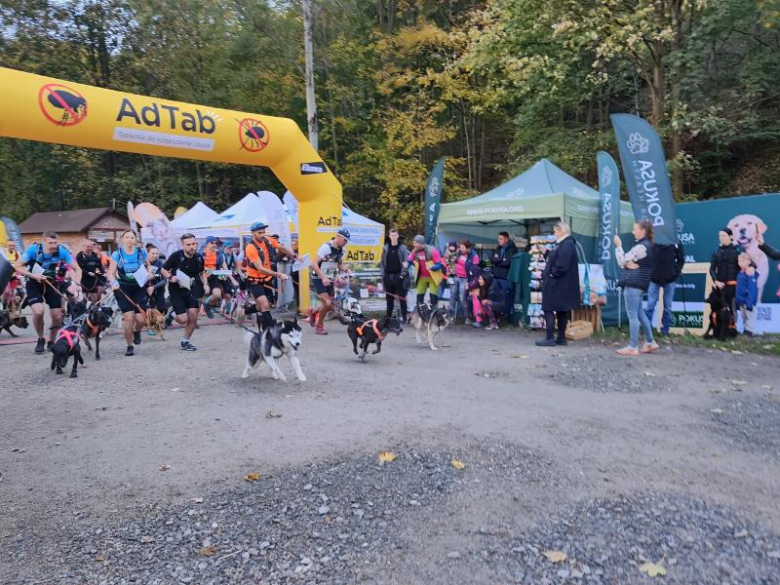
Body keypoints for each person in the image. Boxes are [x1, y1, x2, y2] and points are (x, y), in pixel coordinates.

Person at [13, 231, 83, 354]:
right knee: (39, 312)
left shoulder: (61, 251)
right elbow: (17, 266)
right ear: (44, 241)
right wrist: (33, 275)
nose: (53, 245)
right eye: (50, 243)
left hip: (51, 283)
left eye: (55, 242)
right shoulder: (33, 250)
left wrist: (77, 283)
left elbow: (77, 269)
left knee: (57, 315)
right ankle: (41, 338)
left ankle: (51, 340)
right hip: (33, 282)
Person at [614, 219, 658, 356]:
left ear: (643, 231)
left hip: (633, 283)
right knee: (639, 313)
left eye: (635, 229)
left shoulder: (640, 247)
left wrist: (619, 246)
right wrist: (628, 263)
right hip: (641, 283)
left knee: (633, 315)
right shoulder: (647, 245)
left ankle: (633, 346)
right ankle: (650, 342)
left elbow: (622, 261)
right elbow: (626, 263)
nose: (633, 232)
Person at [161, 233, 209, 351]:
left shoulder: (198, 258)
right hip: (176, 290)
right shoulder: (176, 256)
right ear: (182, 245)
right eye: (188, 245)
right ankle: (171, 313)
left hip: (192, 290)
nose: (192, 247)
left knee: (193, 316)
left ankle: (185, 341)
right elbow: (163, 270)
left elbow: (202, 273)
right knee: (183, 320)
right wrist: (171, 277)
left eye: (194, 244)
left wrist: (205, 284)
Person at [107, 229, 151, 357]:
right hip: (123, 288)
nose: (130, 240)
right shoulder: (117, 254)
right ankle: (129, 345)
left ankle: (137, 332)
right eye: (128, 237)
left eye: (132, 237)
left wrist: (150, 273)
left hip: (139, 287)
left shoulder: (141, 253)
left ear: (135, 240)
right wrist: (113, 282)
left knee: (140, 319)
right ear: (123, 239)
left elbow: (148, 265)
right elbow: (111, 272)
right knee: (129, 317)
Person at [244, 222, 293, 331]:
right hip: (254, 280)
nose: (262, 234)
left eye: (264, 232)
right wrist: (279, 274)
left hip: (266, 279)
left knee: (268, 304)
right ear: (253, 233)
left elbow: (281, 247)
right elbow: (260, 268)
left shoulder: (267, 240)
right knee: (265, 305)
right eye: (259, 232)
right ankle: (270, 331)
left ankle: (244, 311)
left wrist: (293, 255)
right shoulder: (250, 247)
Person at [536, 222, 579, 347]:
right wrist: (546, 253)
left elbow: (561, 265)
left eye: (555, 231)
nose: (554, 233)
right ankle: (561, 338)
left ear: (561, 231)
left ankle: (550, 338)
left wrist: (550, 275)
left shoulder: (566, 245)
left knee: (548, 308)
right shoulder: (565, 244)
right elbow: (558, 258)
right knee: (561, 310)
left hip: (558, 284)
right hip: (562, 284)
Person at [309, 228, 351, 335]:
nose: (345, 243)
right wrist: (323, 277)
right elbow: (314, 263)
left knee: (328, 303)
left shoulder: (342, 250)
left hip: (330, 278)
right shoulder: (326, 247)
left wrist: (347, 270)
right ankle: (319, 326)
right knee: (327, 303)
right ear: (338, 237)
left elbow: (339, 264)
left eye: (347, 241)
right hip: (318, 277)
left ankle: (313, 312)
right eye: (344, 240)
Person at [644, 240, 685, 336]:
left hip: (669, 280)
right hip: (654, 279)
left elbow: (681, 260)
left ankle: (665, 332)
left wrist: (675, 274)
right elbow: (646, 257)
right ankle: (647, 332)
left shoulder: (676, 242)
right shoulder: (653, 241)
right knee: (650, 306)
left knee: (668, 308)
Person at [408, 234, 444, 319]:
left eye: (415, 243)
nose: (414, 245)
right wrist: (406, 264)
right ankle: (422, 315)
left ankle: (434, 315)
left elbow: (440, 264)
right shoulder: (415, 250)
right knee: (419, 297)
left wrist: (433, 267)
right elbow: (409, 260)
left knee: (433, 296)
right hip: (422, 277)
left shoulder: (433, 251)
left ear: (421, 243)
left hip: (433, 277)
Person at [380, 228, 410, 322]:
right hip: (388, 276)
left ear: (398, 236)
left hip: (399, 276)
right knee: (389, 299)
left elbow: (406, 262)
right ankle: (388, 317)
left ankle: (404, 317)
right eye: (392, 235)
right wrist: (383, 275)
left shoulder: (402, 248)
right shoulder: (385, 248)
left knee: (402, 298)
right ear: (389, 236)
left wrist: (402, 275)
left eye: (395, 235)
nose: (393, 237)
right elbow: (382, 263)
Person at [709, 227, 740, 315]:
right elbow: (712, 269)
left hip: (733, 286)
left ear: (731, 236)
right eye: (720, 236)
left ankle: (733, 327)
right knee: (719, 309)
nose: (721, 238)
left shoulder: (738, 250)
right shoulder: (716, 252)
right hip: (720, 286)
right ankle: (721, 328)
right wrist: (716, 281)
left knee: (732, 308)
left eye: (724, 235)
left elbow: (749, 264)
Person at [202, 236, 235, 318]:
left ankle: (227, 313)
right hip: (210, 276)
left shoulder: (219, 254)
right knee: (217, 295)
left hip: (220, 274)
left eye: (215, 243)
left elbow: (225, 267)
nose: (214, 245)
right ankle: (207, 306)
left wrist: (233, 279)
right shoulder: (202, 255)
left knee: (228, 295)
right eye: (212, 243)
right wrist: (205, 283)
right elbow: (203, 271)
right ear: (207, 244)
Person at [449, 239, 480, 323]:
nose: (460, 249)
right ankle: (451, 317)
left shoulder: (474, 256)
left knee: (463, 298)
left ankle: (467, 317)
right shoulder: (459, 252)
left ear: (468, 248)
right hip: (455, 277)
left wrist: (471, 283)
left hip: (465, 279)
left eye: (462, 248)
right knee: (452, 296)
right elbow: (450, 258)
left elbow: (475, 271)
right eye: (460, 247)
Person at [491, 231, 518, 320]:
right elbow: (492, 259)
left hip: (506, 277)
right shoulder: (498, 248)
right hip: (496, 277)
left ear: (506, 239)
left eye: (501, 239)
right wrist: (501, 259)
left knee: (506, 297)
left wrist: (497, 261)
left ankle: (507, 316)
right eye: (498, 239)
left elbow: (508, 262)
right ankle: (497, 316)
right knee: (496, 296)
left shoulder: (512, 249)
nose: (499, 240)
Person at [735, 252, 759, 336]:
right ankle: (745, 330)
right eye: (739, 261)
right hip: (741, 301)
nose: (739, 263)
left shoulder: (751, 273)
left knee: (750, 316)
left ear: (749, 261)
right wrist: (738, 302)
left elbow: (752, 289)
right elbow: (738, 289)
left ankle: (749, 331)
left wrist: (750, 302)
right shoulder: (740, 273)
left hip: (749, 302)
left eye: (742, 261)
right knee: (744, 317)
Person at [76, 240, 107, 305]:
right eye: (88, 246)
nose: (89, 248)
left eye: (91, 246)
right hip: (83, 279)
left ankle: (95, 310)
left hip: (93, 279)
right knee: (85, 297)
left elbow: (99, 265)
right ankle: (84, 310)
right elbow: (78, 268)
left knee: (94, 297)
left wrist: (103, 273)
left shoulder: (95, 255)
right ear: (83, 247)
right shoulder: (79, 256)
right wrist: (87, 273)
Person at [145, 245, 167, 315]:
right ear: (148, 253)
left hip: (159, 288)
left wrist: (154, 287)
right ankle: (150, 323)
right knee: (150, 309)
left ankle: (161, 322)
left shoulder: (161, 263)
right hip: (146, 289)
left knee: (161, 308)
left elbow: (164, 280)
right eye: (153, 253)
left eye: (157, 253)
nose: (155, 255)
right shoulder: (143, 264)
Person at [1, 239, 22, 310]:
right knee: (6, 292)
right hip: (5, 275)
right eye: (10, 245)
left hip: (14, 276)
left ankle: (11, 308)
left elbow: (20, 264)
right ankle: (4, 305)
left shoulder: (17, 253)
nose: (11, 247)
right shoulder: (3, 252)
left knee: (12, 293)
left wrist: (20, 274)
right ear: (7, 246)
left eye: (13, 245)